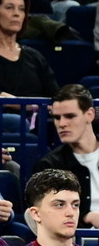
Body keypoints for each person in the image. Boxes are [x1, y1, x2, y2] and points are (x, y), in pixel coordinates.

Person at [35, 84, 99, 227]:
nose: (62, 124)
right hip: (76, 243)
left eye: (70, 116)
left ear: (89, 115)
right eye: (57, 118)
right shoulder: (49, 167)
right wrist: (87, 217)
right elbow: (47, 218)